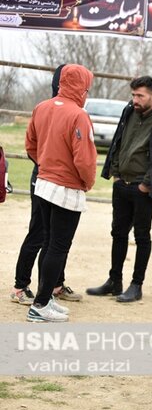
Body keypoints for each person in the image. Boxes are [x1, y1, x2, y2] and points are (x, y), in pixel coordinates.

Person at [85, 76, 152, 302]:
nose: (135, 100)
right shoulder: (129, 111)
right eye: (133, 95)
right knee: (118, 233)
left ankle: (136, 285)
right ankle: (114, 281)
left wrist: (147, 184)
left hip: (142, 188)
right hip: (122, 184)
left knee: (141, 236)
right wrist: (116, 173)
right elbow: (119, 142)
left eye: (140, 96)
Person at [24, 64, 97, 322]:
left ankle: (44, 297)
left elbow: (30, 145)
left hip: (43, 183)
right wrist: (87, 182)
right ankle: (41, 305)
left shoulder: (41, 107)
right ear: (81, 87)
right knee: (58, 246)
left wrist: (44, 164)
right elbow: (85, 159)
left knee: (48, 243)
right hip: (66, 186)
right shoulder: (78, 114)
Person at [11, 64, 83, 305]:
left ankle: (55, 284)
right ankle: (21, 285)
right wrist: (46, 164)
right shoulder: (48, 108)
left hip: (52, 175)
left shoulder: (65, 109)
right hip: (45, 176)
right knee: (40, 232)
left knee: (55, 237)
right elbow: (31, 144)